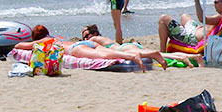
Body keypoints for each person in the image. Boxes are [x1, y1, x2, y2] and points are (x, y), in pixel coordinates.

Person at [13, 25, 146, 72]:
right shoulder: (58, 37)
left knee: (105, 56)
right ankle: (138, 54)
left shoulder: (46, 40)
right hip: (85, 44)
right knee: (109, 52)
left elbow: (20, 46)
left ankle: (132, 56)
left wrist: (33, 42)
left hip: (75, 49)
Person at [157, 0, 222, 53]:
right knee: (184, 16)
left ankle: (162, 51)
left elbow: (202, 19)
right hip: (195, 30)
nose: (214, 5)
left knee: (163, 19)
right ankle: (179, 33)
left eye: (216, 2)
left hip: (192, 38)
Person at [80, 24, 171, 70]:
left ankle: (153, 54)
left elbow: (85, 46)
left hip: (122, 49)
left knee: (140, 54)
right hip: (126, 46)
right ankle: (182, 56)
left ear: (94, 33)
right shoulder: (101, 39)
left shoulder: (94, 39)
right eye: (84, 37)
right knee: (164, 55)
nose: (86, 38)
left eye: (87, 35)